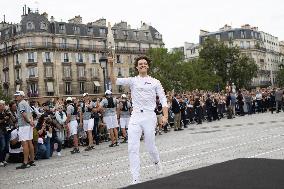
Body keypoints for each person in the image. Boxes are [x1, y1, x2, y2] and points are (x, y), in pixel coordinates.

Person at [116, 55, 168, 184]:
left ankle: (156, 162)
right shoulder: (133, 80)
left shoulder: (155, 81)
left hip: (150, 116)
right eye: (140, 64)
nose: (143, 65)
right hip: (136, 116)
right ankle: (135, 178)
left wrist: (165, 116)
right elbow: (114, 80)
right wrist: (111, 64)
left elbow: (163, 100)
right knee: (132, 147)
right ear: (137, 67)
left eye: (145, 63)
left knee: (150, 146)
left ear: (148, 66)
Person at [14, 91, 36, 169]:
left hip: (24, 125)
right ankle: (32, 160)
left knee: (24, 144)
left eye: (17, 95)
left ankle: (25, 162)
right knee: (30, 142)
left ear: (22, 96)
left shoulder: (20, 104)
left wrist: (29, 121)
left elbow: (23, 114)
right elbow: (30, 114)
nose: (16, 97)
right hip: (28, 125)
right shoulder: (26, 103)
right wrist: (31, 122)